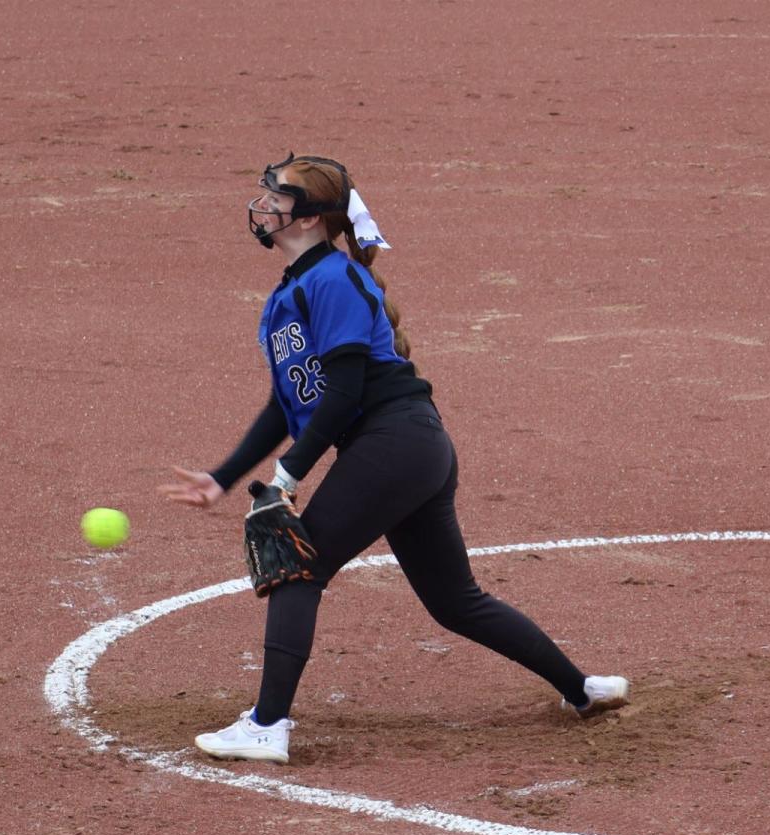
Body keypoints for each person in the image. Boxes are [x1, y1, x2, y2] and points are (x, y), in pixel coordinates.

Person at [158, 153, 629, 765]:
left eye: (280, 195)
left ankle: (267, 726)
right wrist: (222, 478)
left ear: (311, 217)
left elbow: (346, 393)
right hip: (408, 449)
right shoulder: (291, 292)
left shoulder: (335, 280)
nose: (267, 203)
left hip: (396, 442)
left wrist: (285, 477)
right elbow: (288, 404)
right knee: (455, 601)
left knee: (299, 571)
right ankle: (582, 690)